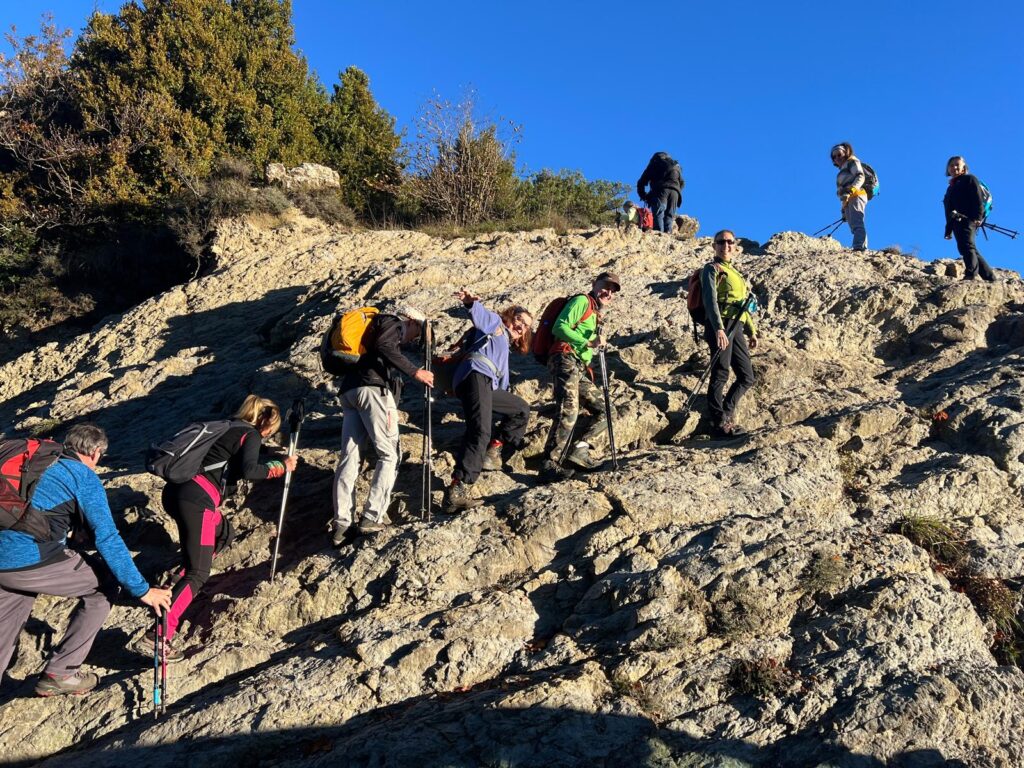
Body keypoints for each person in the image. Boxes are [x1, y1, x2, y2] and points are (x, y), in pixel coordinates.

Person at [0, 424, 172, 696]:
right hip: (30, 558)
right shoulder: (81, 476)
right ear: (95, 452)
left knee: (8, 615)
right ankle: (62, 673)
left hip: (4, 558)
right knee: (104, 582)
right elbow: (107, 538)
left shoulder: (37, 461)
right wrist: (142, 590)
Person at [139, 396, 296, 657]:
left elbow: (237, 459)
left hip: (179, 493)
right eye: (271, 429)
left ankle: (176, 581)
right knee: (198, 573)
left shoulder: (227, 427)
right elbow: (250, 470)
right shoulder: (251, 434)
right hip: (198, 499)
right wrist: (281, 467)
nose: (269, 435)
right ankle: (158, 635)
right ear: (265, 421)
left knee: (223, 533)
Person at [331, 306, 433, 542]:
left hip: (350, 391)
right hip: (373, 392)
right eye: (416, 333)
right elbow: (385, 347)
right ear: (412, 321)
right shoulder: (392, 322)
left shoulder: (372, 325)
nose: (412, 339)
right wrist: (415, 372)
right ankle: (372, 516)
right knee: (389, 454)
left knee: (349, 458)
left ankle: (342, 524)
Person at [444, 291, 533, 511]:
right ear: (509, 316)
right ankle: (459, 487)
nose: (521, 326)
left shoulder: (504, 348)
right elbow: (480, 316)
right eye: (519, 319)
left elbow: (501, 385)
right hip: (475, 374)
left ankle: (493, 451)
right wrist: (470, 303)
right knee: (480, 430)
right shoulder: (496, 325)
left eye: (526, 326)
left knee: (520, 409)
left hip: (486, 385)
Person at [541, 272, 621, 477]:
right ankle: (549, 464)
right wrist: (588, 342)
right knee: (568, 409)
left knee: (606, 410)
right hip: (564, 358)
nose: (608, 292)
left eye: (613, 290)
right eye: (605, 286)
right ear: (594, 284)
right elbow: (560, 327)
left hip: (579, 366)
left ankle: (580, 449)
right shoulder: (581, 301)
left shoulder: (596, 313)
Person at [701, 230, 758, 438]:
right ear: (714, 246)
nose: (726, 245)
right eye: (721, 242)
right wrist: (718, 328)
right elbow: (710, 300)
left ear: (735, 246)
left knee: (747, 376)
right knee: (721, 372)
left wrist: (752, 331)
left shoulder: (737, 274)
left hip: (737, 326)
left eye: (729, 242)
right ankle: (718, 423)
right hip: (721, 324)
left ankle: (726, 414)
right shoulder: (711, 269)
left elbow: (743, 305)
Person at [943, 156, 997, 282]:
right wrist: (948, 230)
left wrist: (978, 217)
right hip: (956, 222)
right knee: (966, 248)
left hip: (969, 219)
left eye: (957, 164)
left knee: (967, 246)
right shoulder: (950, 188)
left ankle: (971, 274)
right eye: (951, 165)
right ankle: (990, 278)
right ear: (948, 169)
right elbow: (949, 210)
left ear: (963, 167)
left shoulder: (969, 179)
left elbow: (977, 199)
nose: (954, 167)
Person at [831, 143, 868, 251]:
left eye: (839, 154)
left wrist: (853, 189)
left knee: (857, 223)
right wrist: (843, 211)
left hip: (857, 194)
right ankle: (859, 246)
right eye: (834, 157)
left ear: (845, 153)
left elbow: (860, 176)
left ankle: (859, 248)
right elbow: (841, 193)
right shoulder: (840, 174)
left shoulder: (852, 161)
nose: (837, 158)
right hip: (848, 199)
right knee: (853, 226)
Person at [637, 152, 683, 233]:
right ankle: (668, 234)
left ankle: (659, 234)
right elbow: (682, 183)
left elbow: (641, 182)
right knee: (669, 215)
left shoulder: (655, 164)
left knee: (659, 214)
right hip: (675, 192)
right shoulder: (676, 165)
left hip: (661, 192)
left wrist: (644, 196)